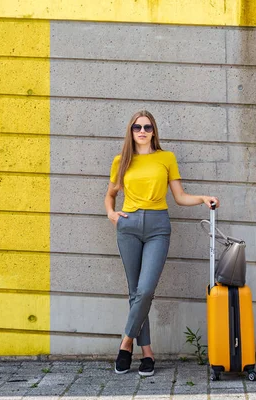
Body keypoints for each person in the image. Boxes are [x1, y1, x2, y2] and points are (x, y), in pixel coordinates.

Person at [104, 110, 220, 376]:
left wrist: (202, 198)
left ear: (154, 131)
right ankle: (147, 354)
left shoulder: (166, 158)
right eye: (137, 127)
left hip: (158, 227)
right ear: (131, 131)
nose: (142, 131)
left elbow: (179, 197)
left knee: (144, 291)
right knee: (136, 292)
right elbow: (109, 195)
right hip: (128, 226)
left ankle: (126, 344)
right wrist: (112, 215)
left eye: (147, 127)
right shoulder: (121, 161)